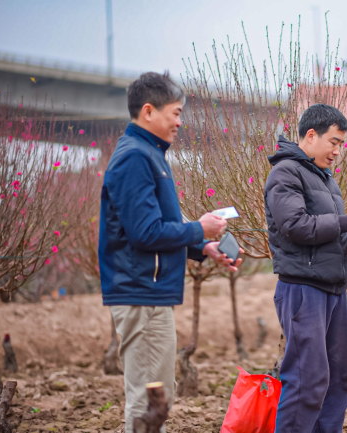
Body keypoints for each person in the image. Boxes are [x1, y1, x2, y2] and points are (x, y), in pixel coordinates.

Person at [98, 72, 242, 432]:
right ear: (149, 111)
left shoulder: (151, 154)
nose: (180, 122)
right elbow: (145, 233)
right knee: (149, 400)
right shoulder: (135, 158)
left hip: (150, 290)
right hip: (141, 290)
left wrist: (203, 245)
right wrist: (200, 228)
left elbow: (157, 224)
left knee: (158, 397)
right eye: (175, 113)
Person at [264, 103, 347, 432]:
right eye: (334, 142)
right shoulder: (285, 172)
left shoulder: (326, 180)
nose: (338, 151)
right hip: (303, 290)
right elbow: (296, 226)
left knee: (341, 379)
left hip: (332, 289)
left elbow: (325, 235)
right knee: (308, 381)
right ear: (311, 135)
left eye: (342, 144)